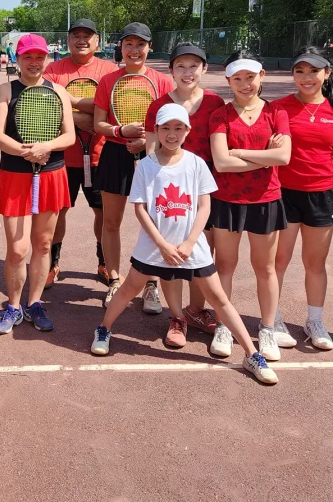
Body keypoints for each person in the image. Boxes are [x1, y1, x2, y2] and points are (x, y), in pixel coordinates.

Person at [90, 104, 277, 385]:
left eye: (178, 128)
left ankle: (251, 354)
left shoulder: (196, 164)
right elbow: (139, 208)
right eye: (165, 128)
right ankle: (104, 329)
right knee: (130, 288)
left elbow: (204, 206)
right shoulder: (146, 166)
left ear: (188, 131)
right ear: (156, 131)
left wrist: (190, 241)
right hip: (154, 244)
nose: (171, 133)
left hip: (193, 247)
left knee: (218, 298)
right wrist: (162, 243)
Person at [0, 34, 75, 334]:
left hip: (51, 173)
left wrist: (45, 148)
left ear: (46, 59)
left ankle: (35, 303)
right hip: (15, 175)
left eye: (39, 56)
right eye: (27, 56)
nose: (34, 62)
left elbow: (70, 137)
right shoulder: (5, 90)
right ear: (18, 59)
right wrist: (26, 151)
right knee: (17, 248)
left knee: (42, 243)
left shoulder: (58, 91)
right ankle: (13, 306)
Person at [209, 50, 290, 362]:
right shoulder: (221, 115)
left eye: (250, 77)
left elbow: (282, 158)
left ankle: (267, 329)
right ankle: (224, 327)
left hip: (266, 200)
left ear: (262, 76)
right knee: (225, 266)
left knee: (265, 268)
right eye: (238, 78)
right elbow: (220, 162)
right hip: (227, 200)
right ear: (229, 80)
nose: (245, 84)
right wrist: (259, 157)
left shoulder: (277, 113)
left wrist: (239, 151)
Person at [143, 43, 225, 342]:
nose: (187, 72)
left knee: (201, 255)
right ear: (171, 71)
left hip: (205, 193)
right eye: (181, 66)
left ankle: (194, 309)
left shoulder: (217, 104)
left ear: (204, 69)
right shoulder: (158, 106)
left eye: (194, 66)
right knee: (172, 258)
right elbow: (151, 153)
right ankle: (176, 318)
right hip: (170, 197)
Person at [271, 46, 333, 351]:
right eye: (300, 71)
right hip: (284, 194)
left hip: (322, 196)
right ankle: (273, 318)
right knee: (279, 261)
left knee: (315, 264)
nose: (307, 77)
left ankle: (315, 321)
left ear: (326, 73)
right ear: (293, 74)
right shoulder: (277, 108)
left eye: (314, 71)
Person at [93, 22, 173, 308]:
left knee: (152, 222)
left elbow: (171, 125)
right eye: (129, 44)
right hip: (115, 155)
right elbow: (98, 123)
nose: (134, 50)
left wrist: (148, 143)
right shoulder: (108, 81)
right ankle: (115, 280)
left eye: (140, 44)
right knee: (111, 222)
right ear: (121, 48)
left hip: (153, 156)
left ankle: (151, 284)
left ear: (149, 47)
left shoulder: (162, 82)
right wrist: (119, 131)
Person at [42, 18, 116, 287]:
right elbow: (45, 108)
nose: (82, 40)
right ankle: (52, 263)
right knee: (58, 212)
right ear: (68, 40)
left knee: (103, 213)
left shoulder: (109, 71)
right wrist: (79, 120)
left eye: (88, 35)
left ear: (97, 40)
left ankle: (105, 262)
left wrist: (72, 106)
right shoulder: (54, 70)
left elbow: (112, 107)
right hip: (61, 157)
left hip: (101, 156)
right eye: (76, 35)